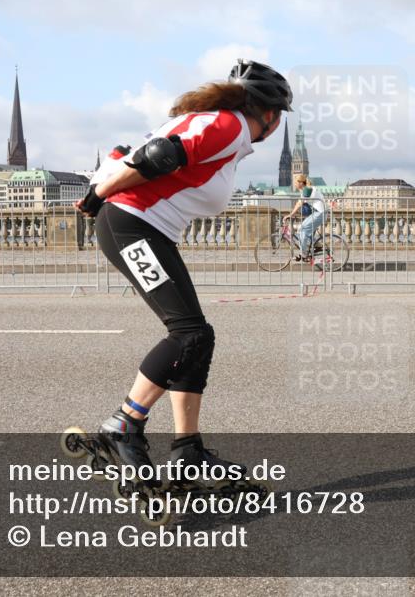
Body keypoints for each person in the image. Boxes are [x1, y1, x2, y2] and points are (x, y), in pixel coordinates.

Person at [74, 59, 292, 478]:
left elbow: (127, 151)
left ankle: (187, 449)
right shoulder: (228, 126)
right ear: (271, 114)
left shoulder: (221, 127)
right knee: (188, 333)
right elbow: (157, 155)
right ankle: (124, 425)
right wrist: (96, 195)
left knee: (198, 337)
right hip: (132, 225)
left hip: (145, 227)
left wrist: (100, 187)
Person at [283, 173, 326, 261]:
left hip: (319, 213)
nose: (294, 184)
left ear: (301, 183)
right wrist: (292, 214)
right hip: (318, 213)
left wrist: (291, 215)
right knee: (305, 232)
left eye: (295, 182)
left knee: (302, 229)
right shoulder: (306, 190)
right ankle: (316, 246)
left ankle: (304, 254)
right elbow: (301, 203)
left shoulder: (307, 190)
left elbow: (299, 203)